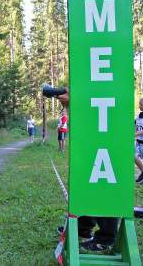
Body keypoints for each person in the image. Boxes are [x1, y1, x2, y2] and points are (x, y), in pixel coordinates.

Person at [56, 89, 118, 252]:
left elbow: (100, 110)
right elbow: (87, 118)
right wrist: (71, 105)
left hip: (107, 137)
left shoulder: (109, 79)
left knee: (104, 184)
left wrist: (75, 101)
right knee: (86, 181)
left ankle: (105, 238)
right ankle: (83, 227)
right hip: (91, 139)